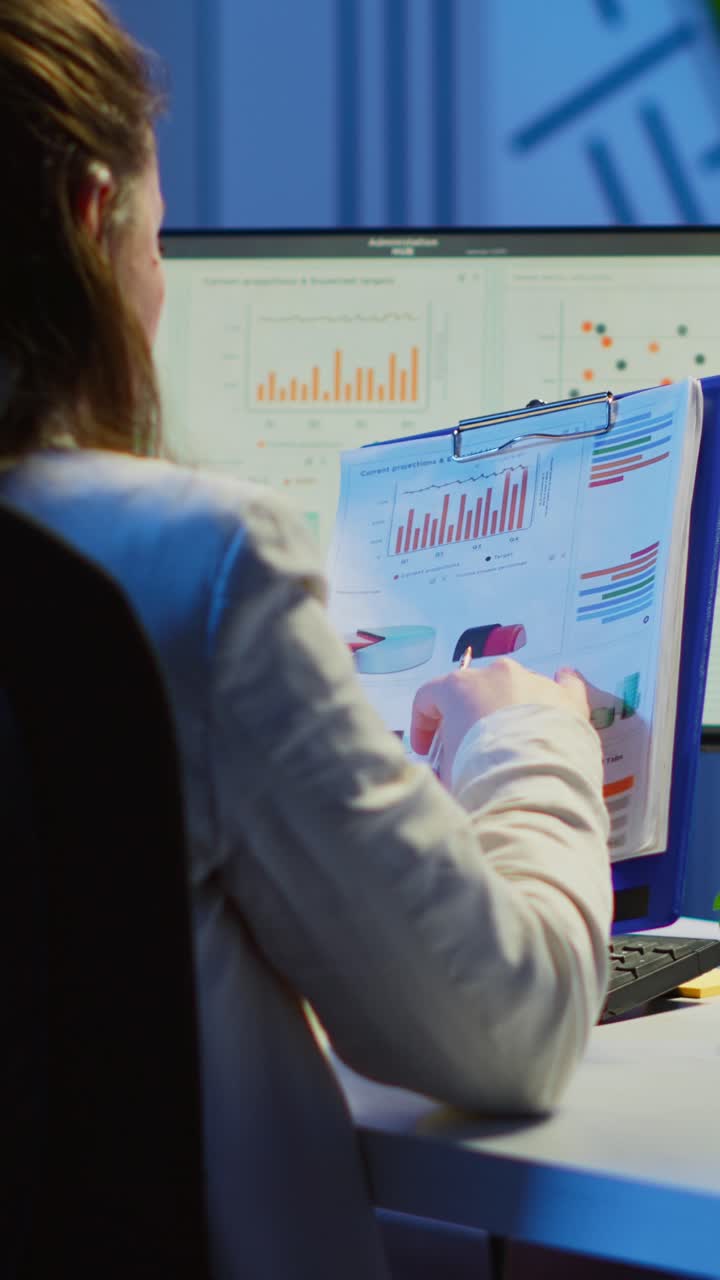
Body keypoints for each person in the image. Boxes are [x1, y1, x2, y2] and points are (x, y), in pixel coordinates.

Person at [0, 2, 612, 1277]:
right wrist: (530, 745)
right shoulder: (183, 569)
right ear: (87, 214)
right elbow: (508, 1027)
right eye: (156, 243)